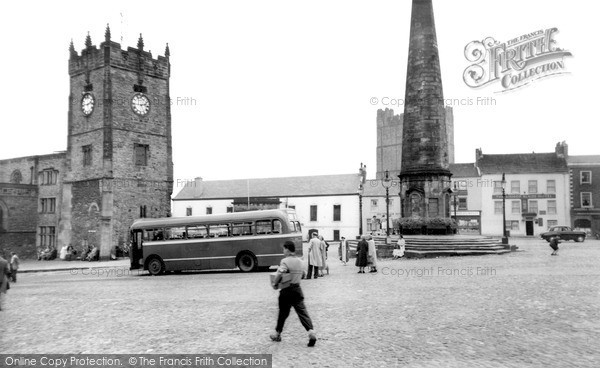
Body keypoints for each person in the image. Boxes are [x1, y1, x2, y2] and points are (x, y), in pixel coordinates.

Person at [270, 241, 317, 347]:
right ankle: (311, 332)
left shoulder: (284, 261)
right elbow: (304, 274)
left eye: (283, 249)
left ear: (287, 249)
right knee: (302, 312)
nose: (283, 251)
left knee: (283, 313)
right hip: (297, 290)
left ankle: (277, 334)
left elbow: (281, 272)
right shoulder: (300, 261)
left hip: (286, 290)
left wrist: (275, 283)